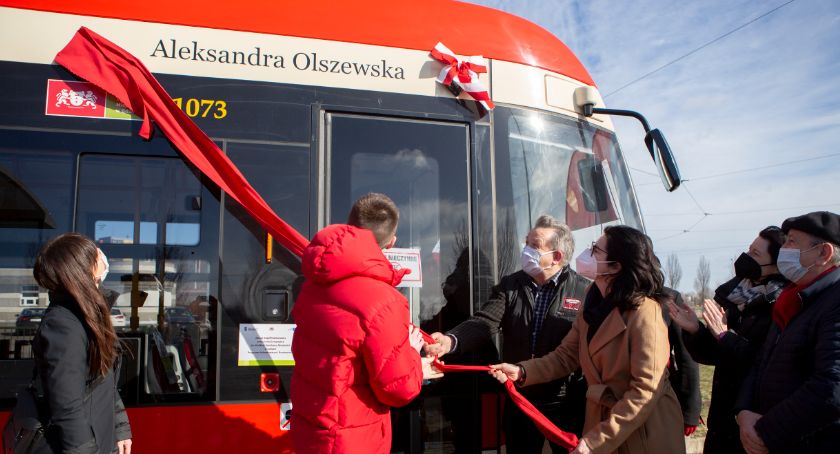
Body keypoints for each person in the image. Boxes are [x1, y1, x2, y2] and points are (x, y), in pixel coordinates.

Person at [489, 225, 684, 453]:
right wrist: (523, 371)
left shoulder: (645, 313)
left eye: (596, 250)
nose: (587, 253)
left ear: (615, 266)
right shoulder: (592, 303)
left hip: (642, 431)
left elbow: (645, 391)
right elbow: (565, 357)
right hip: (602, 424)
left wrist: (595, 441)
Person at [424, 215, 590, 454]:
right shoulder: (511, 285)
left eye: (535, 246)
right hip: (519, 399)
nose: (526, 250)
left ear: (556, 257)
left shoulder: (584, 291)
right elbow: (485, 321)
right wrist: (451, 341)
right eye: (527, 243)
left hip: (564, 402)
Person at [290, 193, 441, 454]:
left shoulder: (312, 285)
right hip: (352, 437)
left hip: (311, 428)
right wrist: (414, 359)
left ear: (350, 226)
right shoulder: (386, 301)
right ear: (391, 243)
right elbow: (397, 390)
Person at [668, 226, 787, 453]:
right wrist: (696, 330)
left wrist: (724, 335)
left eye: (756, 254)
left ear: (776, 265)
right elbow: (714, 354)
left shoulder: (781, 303)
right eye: (749, 249)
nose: (746, 257)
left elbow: (764, 361)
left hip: (753, 417)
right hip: (722, 413)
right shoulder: (735, 294)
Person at [734, 212, 840, 454]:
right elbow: (762, 361)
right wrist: (744, 412)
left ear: (824, 253)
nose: (784, 248)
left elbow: (832, 386)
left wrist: (767, 431)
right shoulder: (793, 298)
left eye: (792, 241)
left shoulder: (834, 300)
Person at [32, 232, 132, 454]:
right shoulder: (63, 323)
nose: (101, 255)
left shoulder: (86, 313)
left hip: (101, 438)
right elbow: (66, 405)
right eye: (94, 253)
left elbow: (104, 379)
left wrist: (119, 427)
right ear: (82, 269)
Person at [661, 288, 702, 437]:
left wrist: (690, 410)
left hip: (661, 394)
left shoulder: (668, 299)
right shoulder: (606, 295)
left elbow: (686, 356)